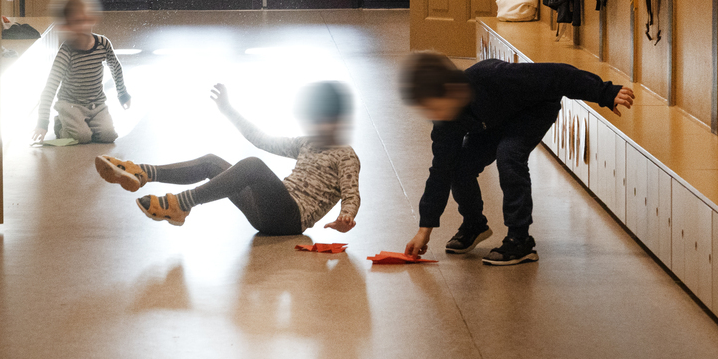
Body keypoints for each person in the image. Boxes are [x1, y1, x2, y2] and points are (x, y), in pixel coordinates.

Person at [400, 50, 634, 266]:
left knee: (509, 156)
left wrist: (605, 93)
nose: (433, 114)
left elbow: (559, 75)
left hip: (532, 110)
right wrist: (424, 229)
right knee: (459, 168)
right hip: (492, 120)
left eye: (434, 105)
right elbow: (440, 171)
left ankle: (520, 241)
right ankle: (474, 225)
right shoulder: (445, 119)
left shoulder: (493, 77)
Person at [96, 80, 360, 237]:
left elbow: (351, 194)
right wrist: (228, 110)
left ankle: (180, 204)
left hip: (290, 220)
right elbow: (261, 139)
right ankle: (141, 172)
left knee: (253, 165)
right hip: (264, 213)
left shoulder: (345, 155)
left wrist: (346, 216)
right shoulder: (307, 143)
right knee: (213, 161)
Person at [33, 0, 131, 145]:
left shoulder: (103, 44)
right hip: (70, 105)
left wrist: (123, 94)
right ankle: (61, 125)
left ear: (92, 19)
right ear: (67, 26)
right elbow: (50, 87)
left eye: (86, 20)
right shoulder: (66, 52)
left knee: (108, 135)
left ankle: (85, 123)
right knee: (82, 137)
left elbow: (115, 68)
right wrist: (42, 122)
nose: (83, 27)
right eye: (76, 22)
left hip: (96, 104)